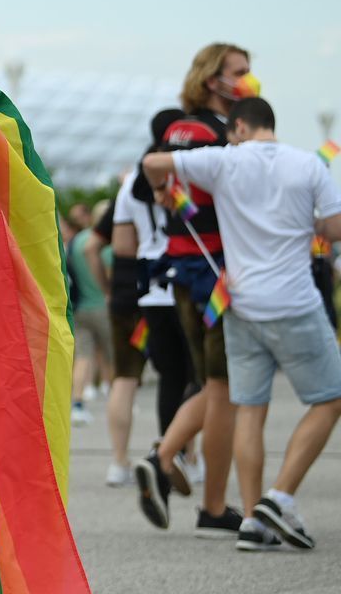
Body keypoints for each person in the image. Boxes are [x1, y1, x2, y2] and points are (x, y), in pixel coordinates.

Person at [142, 96, 341, 552]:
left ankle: (253, 521)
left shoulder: (224, 161)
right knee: (330, 399)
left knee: (250, 409)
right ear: (268, 125)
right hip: (295, 302)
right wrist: (305, 223)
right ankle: (280, 494)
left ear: (238, 129)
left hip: (240, 303)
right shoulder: (308, 164)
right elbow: (333, 228)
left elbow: (153, 162)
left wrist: (161, 191)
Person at [132, 44, 251, 539]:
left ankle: (168, 460)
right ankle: (201, 494)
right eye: (240, 73)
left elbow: (144, 186)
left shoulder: (174, 130)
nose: (248, 82)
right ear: (212, 80)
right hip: (217, 268)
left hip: (180, 268)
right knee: (224, 387)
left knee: (210, 382)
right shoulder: (217, 136)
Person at [91, 112, 200, 487]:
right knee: (195, 376)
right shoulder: (186, 173)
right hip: (187, 281)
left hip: (145, 290)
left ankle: (119, 462)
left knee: (135, 377)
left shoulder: (132, 184)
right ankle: (183, 455)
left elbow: (122, 246)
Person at [68, 200, 114, 425]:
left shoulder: (77, 241)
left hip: (80, 307)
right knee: (113, 356)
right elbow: (110, 274)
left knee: (84, 357)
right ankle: (116, 400)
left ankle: (77, 404)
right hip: (104, 307)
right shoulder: (105, 245)